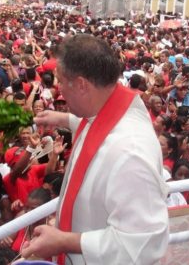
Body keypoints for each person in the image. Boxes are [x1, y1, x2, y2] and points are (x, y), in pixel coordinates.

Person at [21, 34, 168, 264]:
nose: (58, 89)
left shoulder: (129, 152)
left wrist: (64, 241)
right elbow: (94, 128)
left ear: (81, 85)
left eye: (61, 80)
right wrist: (62, 118)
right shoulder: (108, 109)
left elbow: (143, 243)